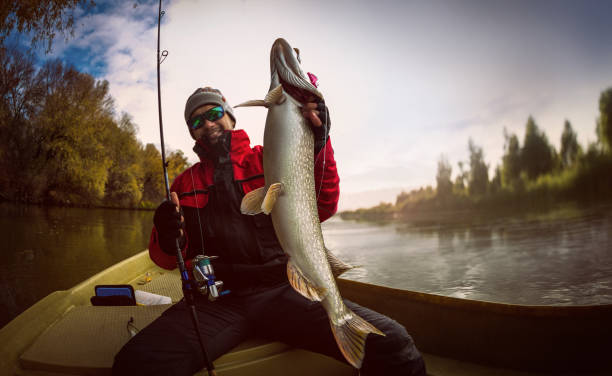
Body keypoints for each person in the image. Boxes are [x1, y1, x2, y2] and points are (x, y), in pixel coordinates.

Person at [112, 87, 426, 375]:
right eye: (196, 121)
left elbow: (323, 204)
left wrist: (319, 141)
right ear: (192, 132)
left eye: (213, 114)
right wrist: (169, 237)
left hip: (284, 292)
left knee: (394, 344)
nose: (207, 124)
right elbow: (166, 259)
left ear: (230, 117)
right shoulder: (184, 183)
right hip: (216, 301)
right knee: (137, 362)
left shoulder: (268, 158)